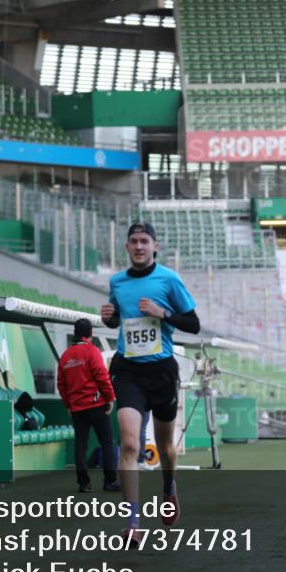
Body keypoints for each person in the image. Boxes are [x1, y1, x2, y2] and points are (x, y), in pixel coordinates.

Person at [101, 222, 201, 543]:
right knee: (130, 443)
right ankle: (132, 521)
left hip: (161, 371)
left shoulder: (169, 279)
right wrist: (109, 317)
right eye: (133, 242)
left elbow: (194, 324)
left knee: (165, 446)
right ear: (127, 248)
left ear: (155, 246)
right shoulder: (117, 282)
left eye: (145, 241)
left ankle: (168, 487)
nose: (139, 247)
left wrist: (163, 312)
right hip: (128, 370)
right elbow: (118, 317)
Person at [57, 318, 119, 493]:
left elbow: (61, 384)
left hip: (77, 409)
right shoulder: (92, 352)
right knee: (107, 442)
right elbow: (102, 377)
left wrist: (68, 405)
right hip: (96, 405)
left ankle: (83, 484)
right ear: (90, 335)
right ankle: (110, 481)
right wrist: (110, 398)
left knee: (81, 445)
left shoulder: (65, 356)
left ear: (75, 334)